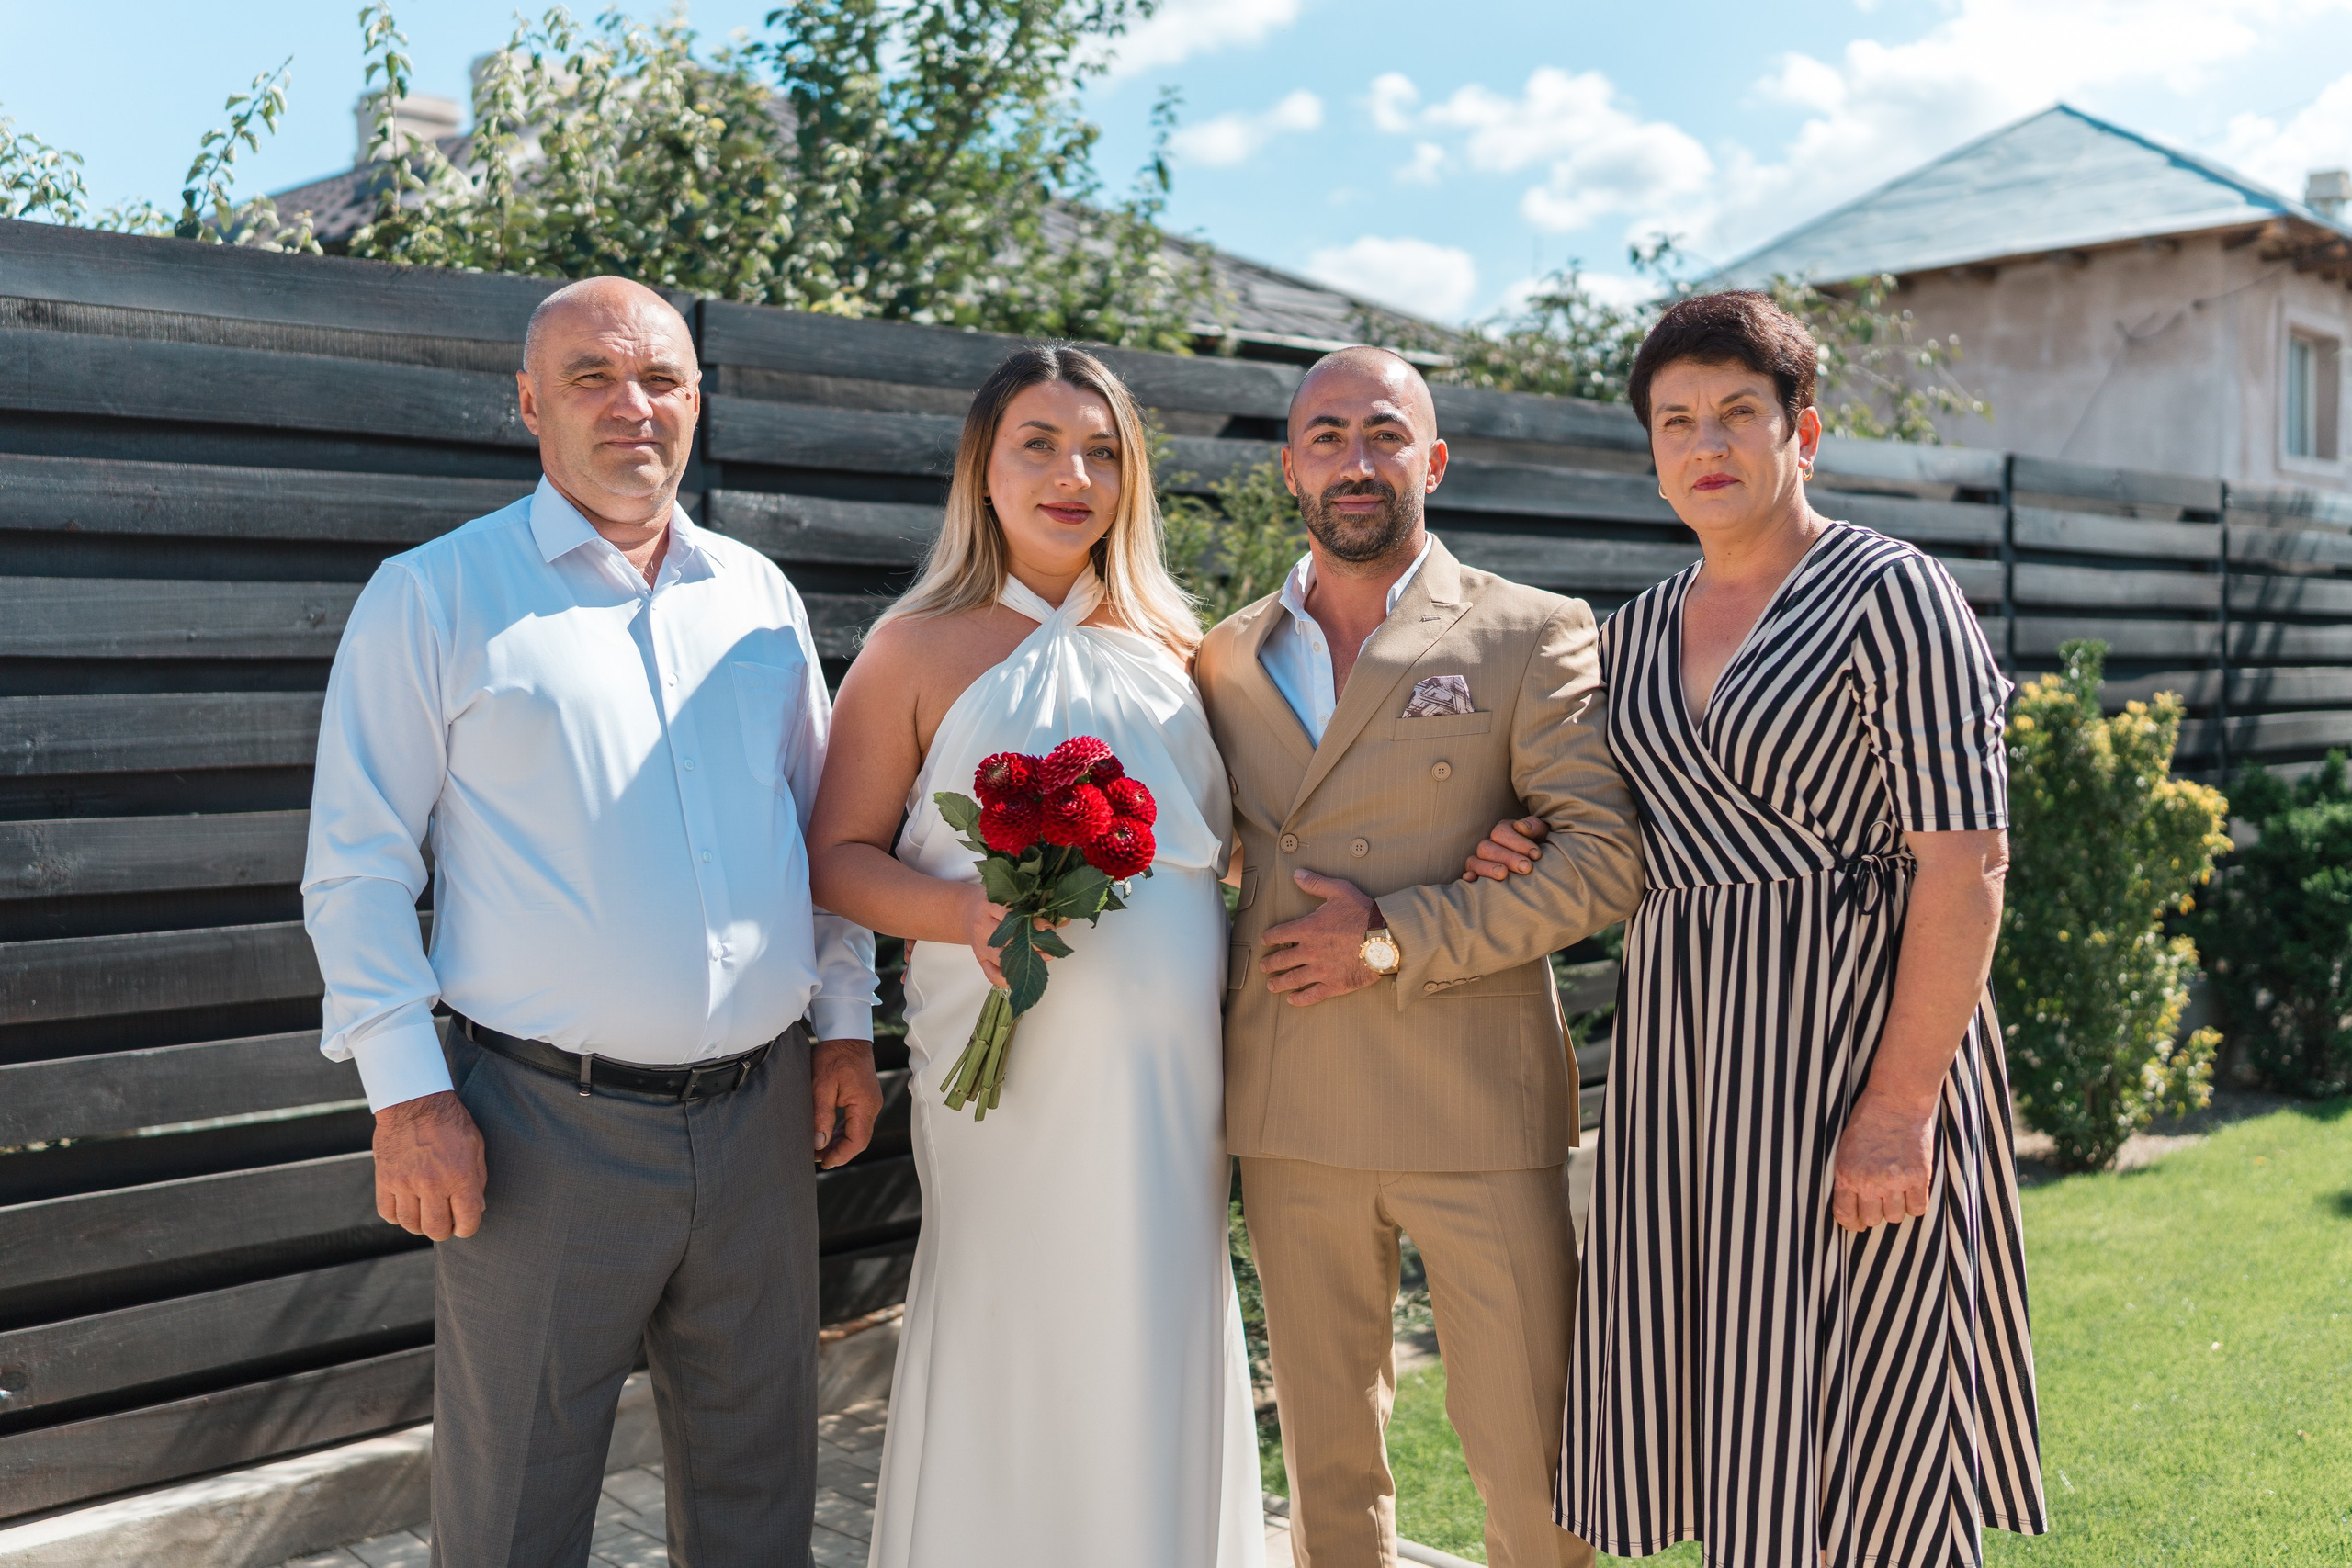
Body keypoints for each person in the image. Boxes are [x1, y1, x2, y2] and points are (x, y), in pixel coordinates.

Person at [302, 276, 883, 1568]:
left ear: (698, 400)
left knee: (761, 1485)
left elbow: (819, 839)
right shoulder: (435, 596)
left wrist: (844, 1029)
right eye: (592, 379)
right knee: (516, 1507)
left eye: (663, 379)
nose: (635, 407)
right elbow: (352, 868)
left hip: (759, 1118)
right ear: (528, 404)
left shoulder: (760, 598)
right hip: (536, 1131)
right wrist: (407, 1097)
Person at [1466, 290, 2049, 1567]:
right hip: (1692, 1060)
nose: (1706, 442)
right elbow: (1618, 839)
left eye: (1738, 411)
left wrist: (1900, 1110)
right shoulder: (1625, 636)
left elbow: (1967, 865)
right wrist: (1528, 845)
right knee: (1733, 1408)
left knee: (1872, 1411)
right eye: (1676, 420)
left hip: (1855, 1035)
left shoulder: (1894, 593)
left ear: (1806, 431)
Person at [807, 344, 1263, 1568]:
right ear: (983, 468)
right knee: (1019, 1320)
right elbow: (836, 861)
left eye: (1103, 451)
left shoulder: (1186, 649)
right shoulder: (914, 649)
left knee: (1151, 1319)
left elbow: (1243, 849)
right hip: (1001, 1080)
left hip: (1170, 1090)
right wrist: (966, 917)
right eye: (1040, 445)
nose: (1074, 475)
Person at [1192, 346, 1645, 1568]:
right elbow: (1217, 851)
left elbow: (1604, 865)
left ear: (1430, 460)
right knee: (1330, 1471)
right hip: (1292, 1104)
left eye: (1383, 434)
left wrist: (1394, 936)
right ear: (1289, 467)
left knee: (1532, 1464)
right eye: (1326, 436)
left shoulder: (1529, 631)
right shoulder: (1223, 657)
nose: (1355, 460)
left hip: (1473, 1107)